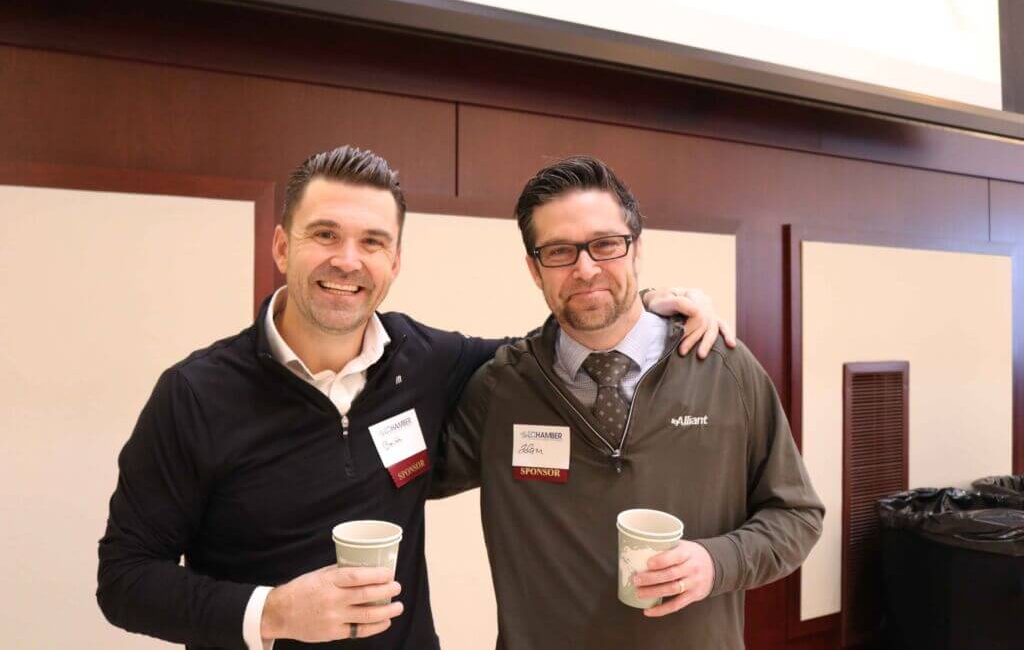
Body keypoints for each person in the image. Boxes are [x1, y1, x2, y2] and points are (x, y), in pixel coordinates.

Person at [96, 145, 733, 649]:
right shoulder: (196, 394)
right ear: (283, 246)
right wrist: (271, 611)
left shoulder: (426, 361)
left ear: (395, 261)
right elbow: (124, 578)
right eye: (325, 235)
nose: (348, 260)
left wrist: (649, 307)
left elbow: (556, 349)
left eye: (372, 241)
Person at [434, 156, 824, 650]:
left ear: (637, 248)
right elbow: (402, 481)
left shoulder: (722, 369)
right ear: (534, 269)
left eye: (605, 244)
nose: (585, 269)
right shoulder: (502, 390)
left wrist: (717, 563)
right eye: (559, 251)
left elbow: (797, 516)